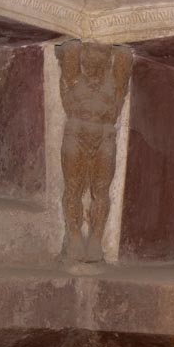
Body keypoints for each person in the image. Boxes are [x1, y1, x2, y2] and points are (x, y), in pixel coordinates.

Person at [56, 40, 132, 263]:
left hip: (104, 133)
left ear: (107, 59)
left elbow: (125, 58)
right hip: (76, 132)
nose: (94, 61)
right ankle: (74, 235)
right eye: (89, 56)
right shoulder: (74, 77)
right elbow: (69, 51)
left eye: (100, 57)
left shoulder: (113, 81)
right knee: (73, 187)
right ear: (83, 57)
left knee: (101, 189)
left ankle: (96, 238)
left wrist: (116, 45)